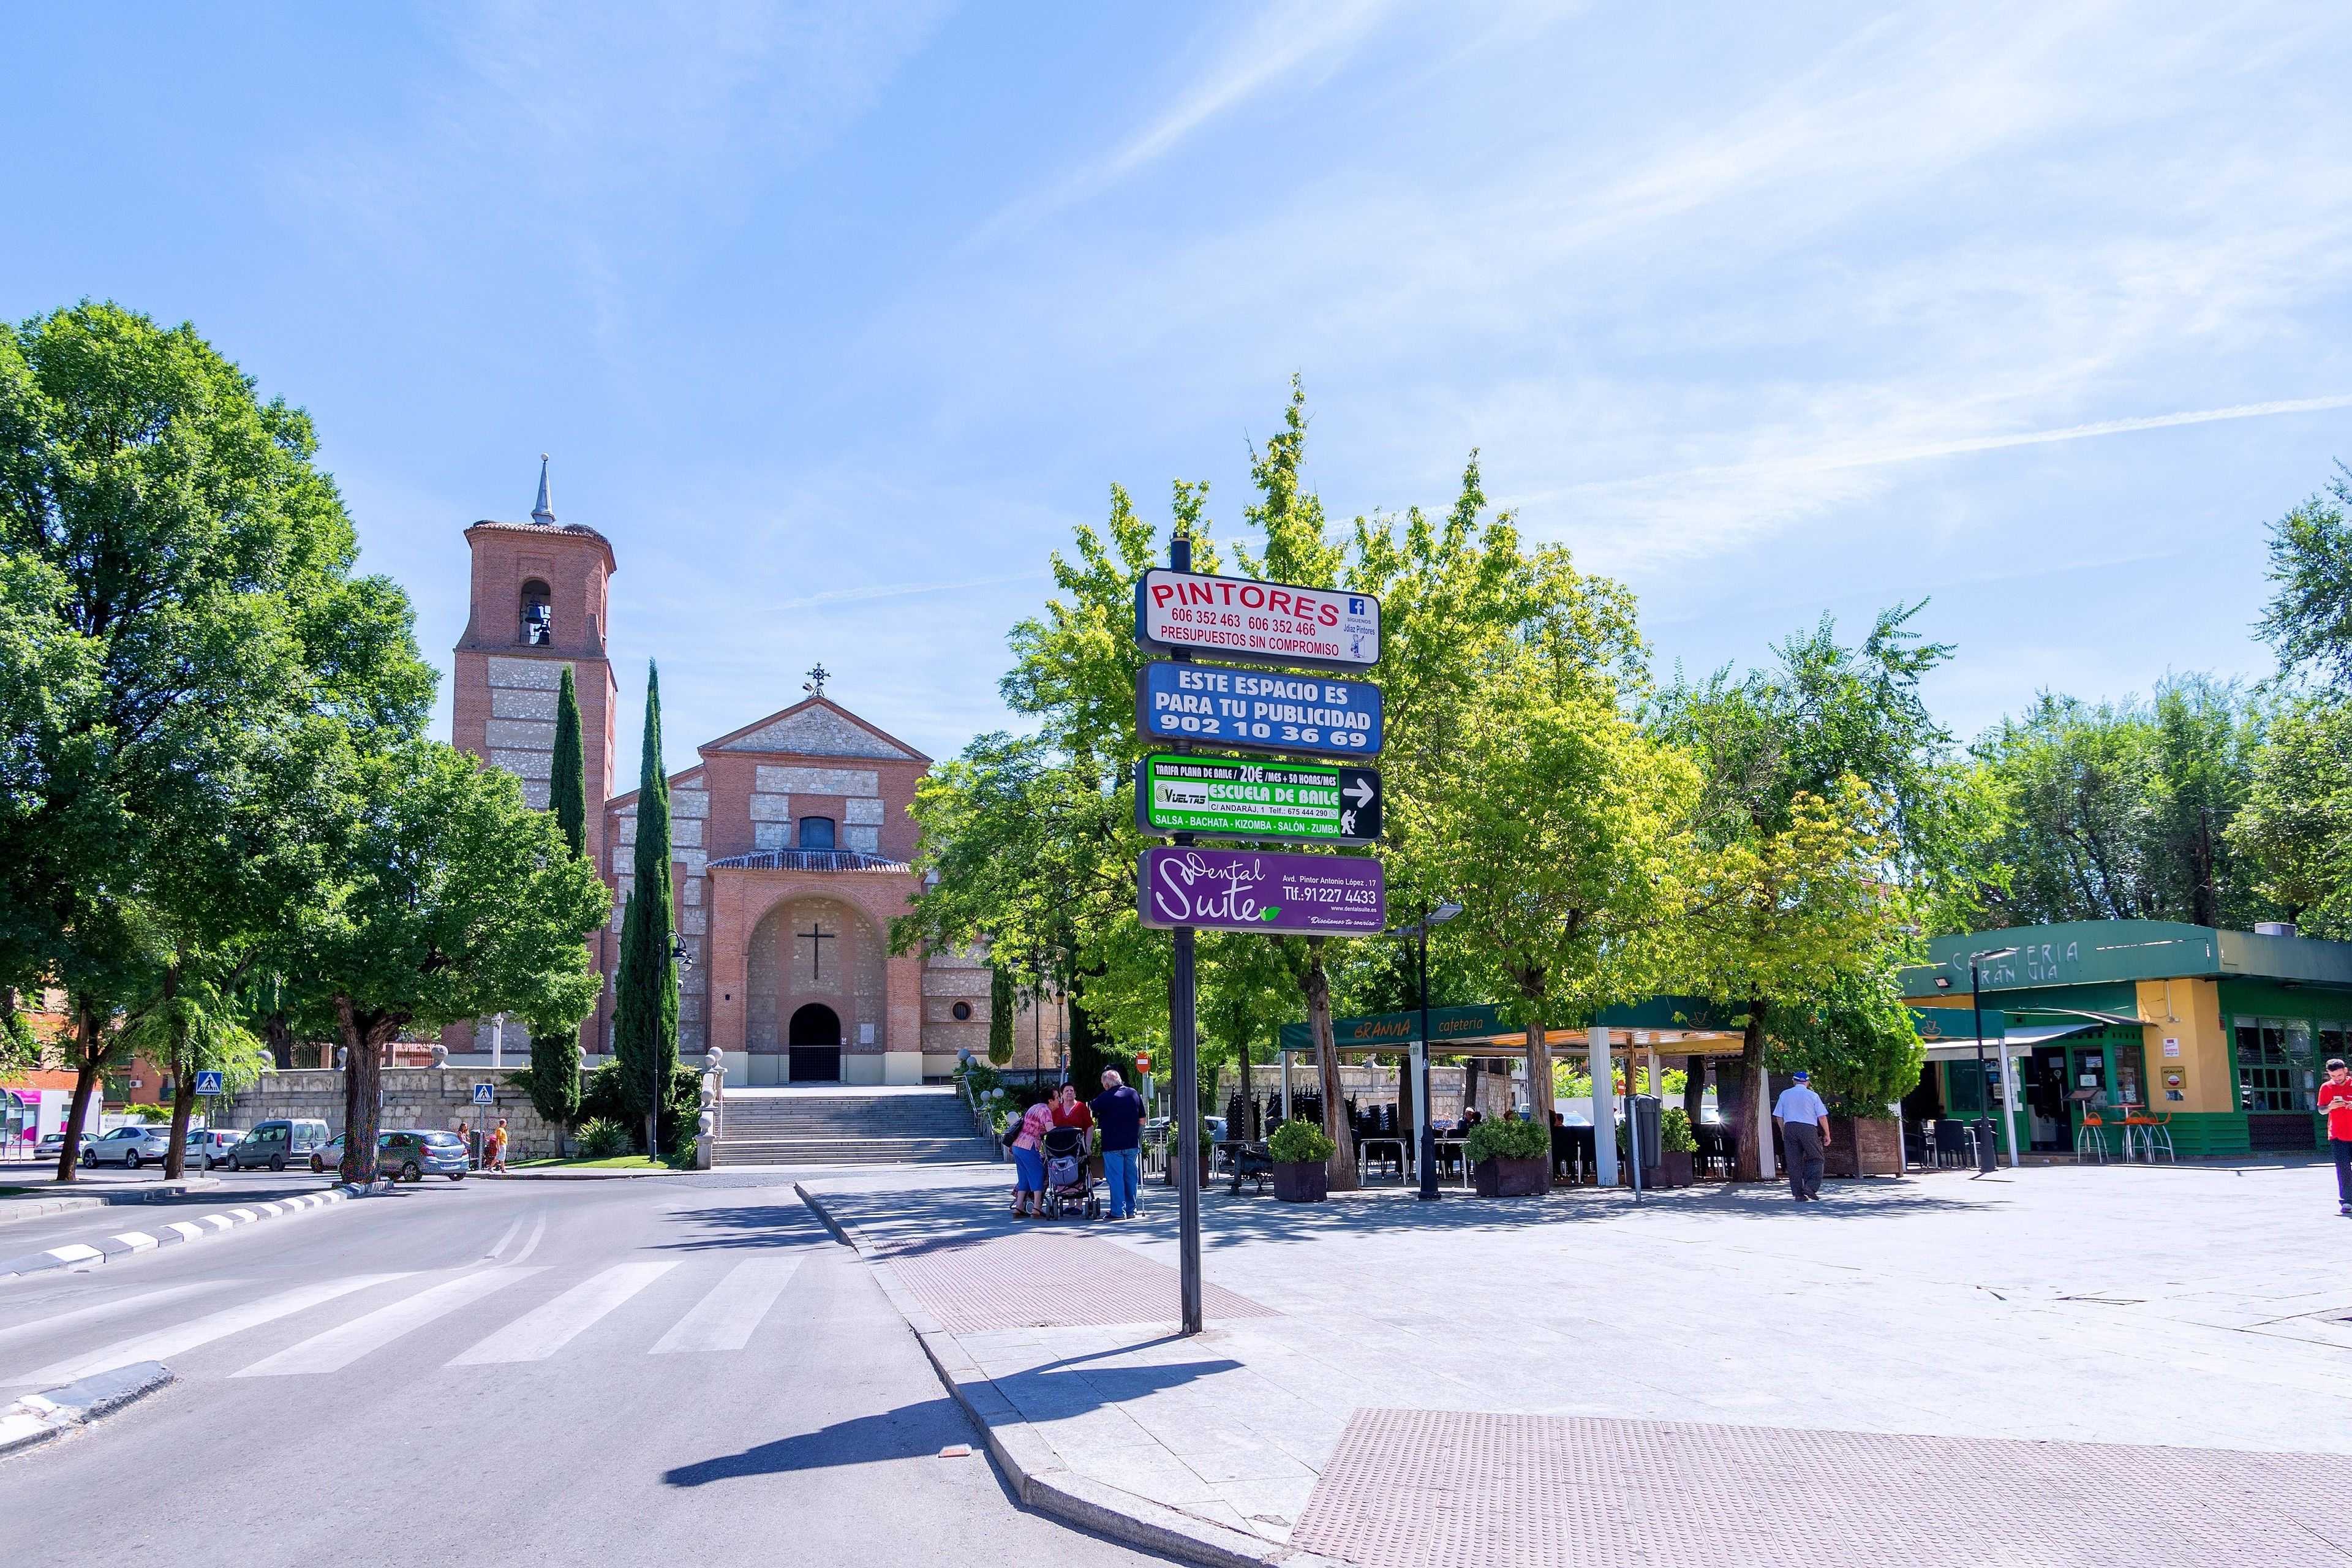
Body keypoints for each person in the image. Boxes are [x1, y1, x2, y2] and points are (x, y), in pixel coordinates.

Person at [1091, 1068, 1146, 1221]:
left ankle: (1117, 1211)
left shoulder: (1105, 1097)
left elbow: (1093, 1107)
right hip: (1131, 1143)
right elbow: (1142, 1119)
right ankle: (1131, 1210)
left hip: (1112, 1145)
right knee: (1131, 1178)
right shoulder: (1133, 1093)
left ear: (1107, 1085)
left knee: (1116, 1178)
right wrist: (1136, 1135)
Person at [1773, 1071, 1831, 1201]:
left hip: (1790, 1128)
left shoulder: (1785, 1094)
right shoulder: (1813, 1096)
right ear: (1808, 1082)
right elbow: (1822, 1116)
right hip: (1808, 1128)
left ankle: (1798, 1195)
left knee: (1794, 1162)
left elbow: (1778, 1116)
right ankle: (1811, 1186)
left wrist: (1784, 1131)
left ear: (1794, 1082)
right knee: (1816, 1157)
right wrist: (1827, 1134)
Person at [1010, 1098, 1053, 1218]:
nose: (1059, 1102)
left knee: (1024, 1177)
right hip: (1029, 1145)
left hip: (1017, 1145)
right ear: (1051, 1100)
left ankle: (1019, 1207)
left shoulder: (1034, 1107)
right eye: (1057, 1099)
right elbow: (1051, 1131)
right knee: (1038, 1172)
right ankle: (1037, 1207)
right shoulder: (1046, 1110)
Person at [2321, 1057, 2352, 1218]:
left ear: (2345, 1071)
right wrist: (2329, 1107)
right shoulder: (2326, 1088)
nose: (2337, 1079)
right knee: (2343, 1168)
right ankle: (2347, 1201)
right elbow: (2321, 1110)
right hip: (2337, 1135)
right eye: (2333, 1076)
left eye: (2339, 1075)